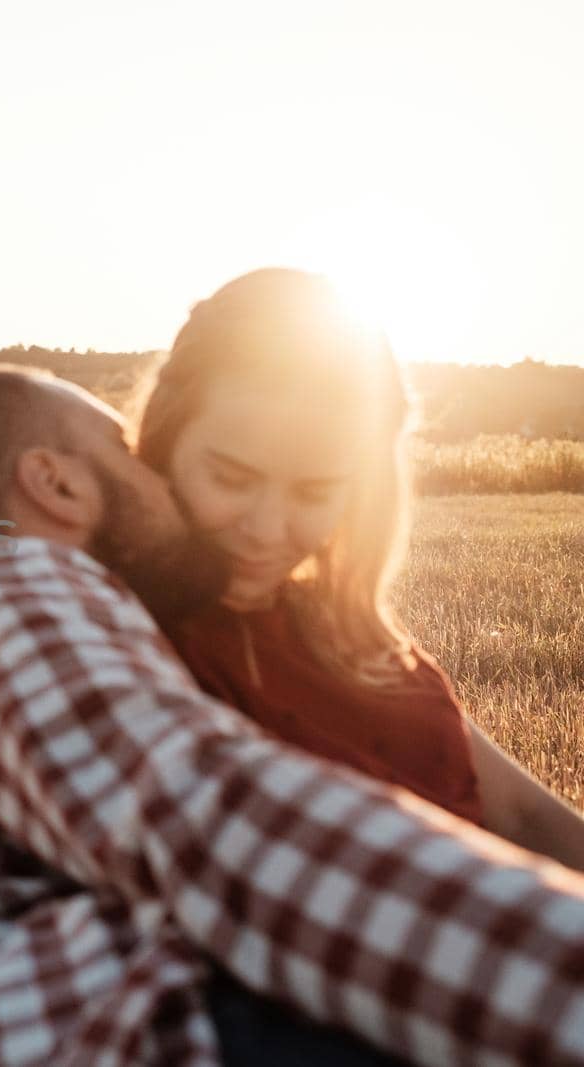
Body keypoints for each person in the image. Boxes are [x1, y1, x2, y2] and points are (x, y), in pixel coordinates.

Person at [0, 364, 584, 1065]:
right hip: (99, 1026)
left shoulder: (93, 630)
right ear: (56, 481)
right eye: (128, 450)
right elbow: (208, 819)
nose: (162, 478)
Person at [136, 268, 584, 868]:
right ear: (166, 439)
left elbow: (522, 814)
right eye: (231, 478)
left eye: (314, 492)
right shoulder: (125, 632)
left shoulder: (341, 624)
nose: (269, 529)